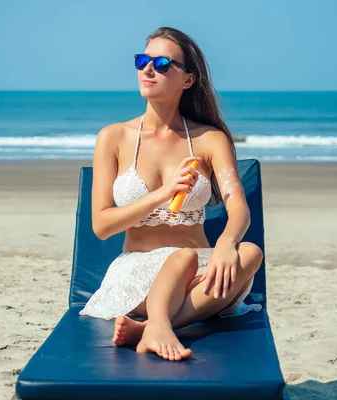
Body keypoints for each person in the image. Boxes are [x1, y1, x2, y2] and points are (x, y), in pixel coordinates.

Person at [79, 26, 263, 362]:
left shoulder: (210, 140)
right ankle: (159, 324)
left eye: (162, 63)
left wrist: (224, 244)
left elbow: (239, 211)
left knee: (249, 252)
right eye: (142, 60)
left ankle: (151, 326)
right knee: (181, 257)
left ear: (188, 80)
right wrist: (162, 193)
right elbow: (102, 225)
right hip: (138, 272)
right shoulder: (114, 137)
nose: (148, 69)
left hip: (200, 275)